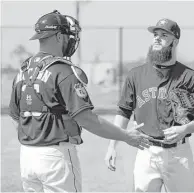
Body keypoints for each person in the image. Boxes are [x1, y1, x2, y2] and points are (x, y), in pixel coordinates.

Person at [9, 10, 149, 193]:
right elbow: (87, 119)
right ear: (58, 36)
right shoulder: (62, 70)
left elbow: (15, 116)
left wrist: (35, 138)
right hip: (55, 157)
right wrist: (126, 136)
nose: (71, 40)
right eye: (68, 35)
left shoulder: (23, 70)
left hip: (27, 156)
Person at [105, 18, 194, 192]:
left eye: (163, 35)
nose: (157, 38)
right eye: (155, 34)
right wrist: (112, 146)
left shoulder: (190, 76)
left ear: (175, 42)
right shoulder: (136, 74)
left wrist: (185, 129)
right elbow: (124, 112)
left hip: (179, 153)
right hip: (146, 151)